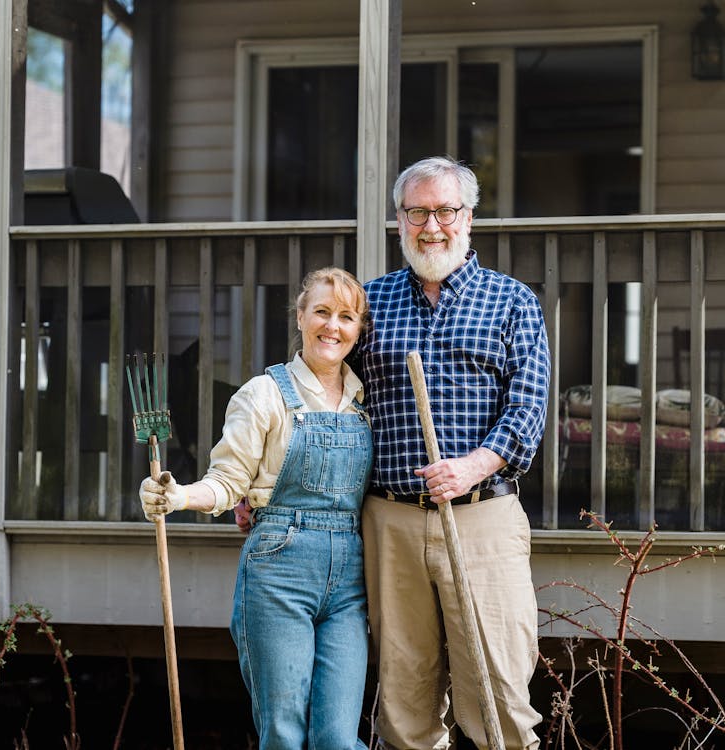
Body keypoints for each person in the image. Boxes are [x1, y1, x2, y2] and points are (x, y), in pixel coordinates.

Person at [358, 156, 550, 749]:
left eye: (445, 210)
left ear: (469, 218)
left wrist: (473, 465)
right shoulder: (369, 303)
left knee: (499, 700)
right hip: (389, 520)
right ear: (398, 221)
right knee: (404, 700)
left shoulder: (511, 301)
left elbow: (529, 406)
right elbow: (323, 402)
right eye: (418, 212)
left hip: (482, 515)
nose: (432, 225)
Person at [139, 267, 373, 750]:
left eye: (347, 317)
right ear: (301, 316)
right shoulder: (264, 395)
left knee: (336, 737)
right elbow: (227, 482)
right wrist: (177, 496)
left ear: (359, 328)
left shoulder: (366, 401)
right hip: (279, 569)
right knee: (284, 734)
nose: (333, 326)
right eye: (323, 312)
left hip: (352, 579)